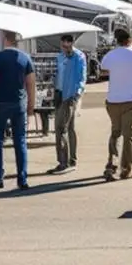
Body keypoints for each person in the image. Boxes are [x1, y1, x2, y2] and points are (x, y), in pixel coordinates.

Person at [0, 30, 35, 190]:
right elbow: (31, 84)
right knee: (20, 140)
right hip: (19, 103)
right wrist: (31, 108)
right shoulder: (25, 59)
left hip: (0, 103)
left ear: (5, 39)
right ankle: (22, 178)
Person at [100, 27, 132, 181]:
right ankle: (126, 168)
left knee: (115, 133)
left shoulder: (110, 55)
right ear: (130, 40)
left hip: (113, 99)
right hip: (130, 98)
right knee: (128, 136)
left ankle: (111, 165)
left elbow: (103, 72)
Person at [50, 34, 87, 174]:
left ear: (72, 44)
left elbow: (82, 76)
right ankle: (71, 160)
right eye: (63, 46)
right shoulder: (60, 56)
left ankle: (63, 162)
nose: (65, 49)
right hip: (59, 93)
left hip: (70, 94)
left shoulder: (78, 57)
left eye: (67, 46)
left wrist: (77, 93)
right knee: (69, 127)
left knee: (61, 128)